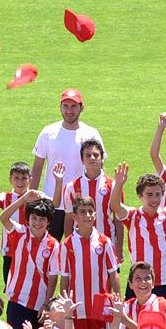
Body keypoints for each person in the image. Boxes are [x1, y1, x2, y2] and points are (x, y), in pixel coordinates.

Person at [32, 89, 103, 230]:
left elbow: (100, 167)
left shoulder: (92, 134)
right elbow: (37, 167)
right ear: (60, 107)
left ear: (81, 108)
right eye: (65, 106)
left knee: (80, 249)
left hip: (81, 204)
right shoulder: (48, 132)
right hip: (52, 202)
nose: (69, 111)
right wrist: (31, 199)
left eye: (73, 106)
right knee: (49, 248)